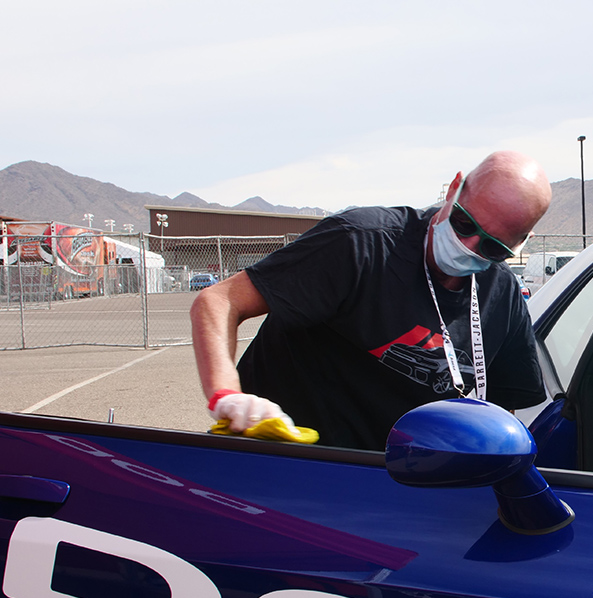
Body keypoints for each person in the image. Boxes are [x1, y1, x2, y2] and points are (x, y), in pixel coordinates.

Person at [190, 150, 551, 450]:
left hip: (394, 488)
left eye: (492, 247)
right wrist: (227, 396)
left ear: (521, 243)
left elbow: (503, 416)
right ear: (454, 189)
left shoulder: (502, 297)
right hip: (283, 462)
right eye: (464, 223)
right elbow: (219, 301)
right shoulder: (360, 244)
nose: (468, 246)